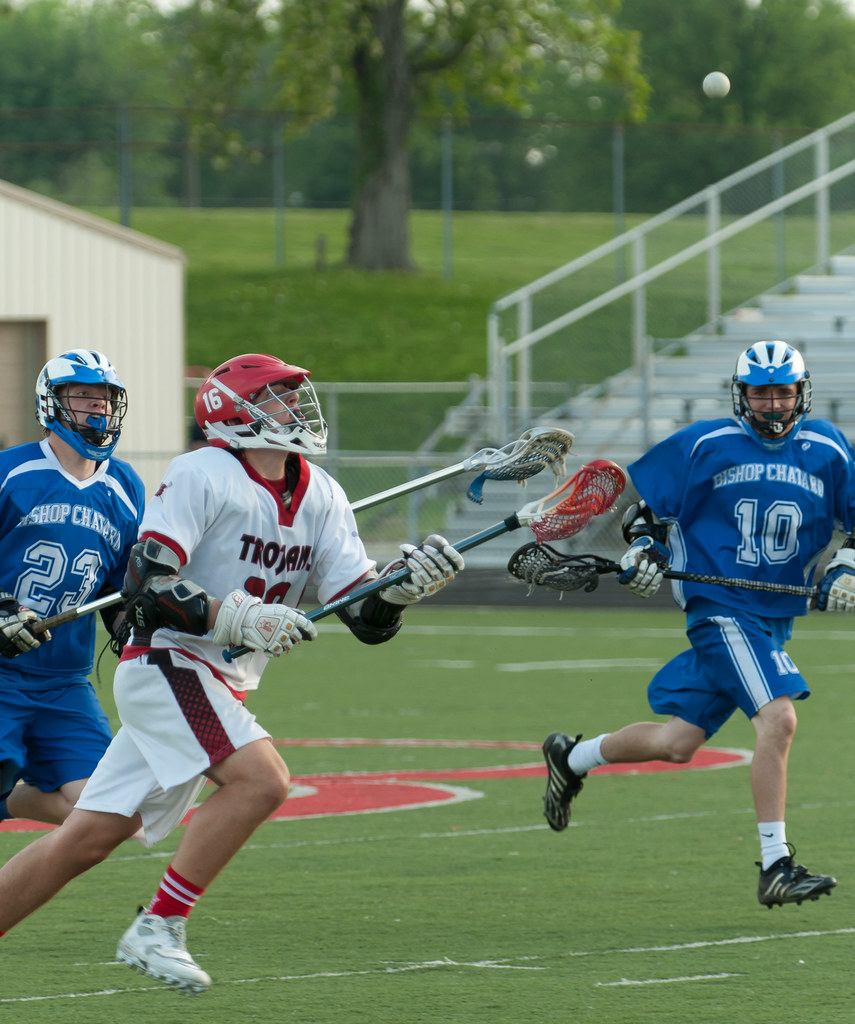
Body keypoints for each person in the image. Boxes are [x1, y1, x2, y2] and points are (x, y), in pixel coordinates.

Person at [0, 352, 464, 993]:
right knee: (262, 780)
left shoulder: (321, 493)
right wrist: (234, 617)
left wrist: (400, 591)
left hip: (221, 678)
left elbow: (363, 617)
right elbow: (145, 582)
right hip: (168, 663)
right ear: (235, 410)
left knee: (84, 840)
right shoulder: (202, 472)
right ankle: (159, 925)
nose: (294, 410)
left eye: (294, 397)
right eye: (277, 397)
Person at [541, 340, 855, 908]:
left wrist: (847, 567)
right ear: (742, 395)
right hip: (721, 609)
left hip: (774, 616)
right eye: (761, 392)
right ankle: (776, 865)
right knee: (779, 720)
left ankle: (570, 757)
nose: (774, 404)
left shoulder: (828, 448)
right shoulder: (707, 443)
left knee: (677, 742)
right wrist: (642, 549)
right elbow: (644, 511)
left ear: (802, 393)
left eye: (783, 391)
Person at [0, 349, 144, 828]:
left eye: (104, 397)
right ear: (51, 403)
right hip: (1, 672)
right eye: (82, 395)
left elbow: (119, 586)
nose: (97, 406)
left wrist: (134, 623)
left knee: (110, 810)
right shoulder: (12, 472)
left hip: (64, 681)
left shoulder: (125, 485)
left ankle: (7, 802)